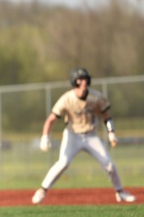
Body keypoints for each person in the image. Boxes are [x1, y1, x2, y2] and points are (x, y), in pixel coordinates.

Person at [32, 67, 136, 204]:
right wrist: (45, 136)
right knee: (63, 163)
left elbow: (107, 116)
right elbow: (51, 119)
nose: (84, 82)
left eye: (86, 79)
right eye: (80, 79)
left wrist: (111, 132)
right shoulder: (67, 98)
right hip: (72, 135)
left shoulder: (96, 97)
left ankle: (120, 192)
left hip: (91, 135)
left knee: (109, 164)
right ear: (74, 81)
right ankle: (42, 190)